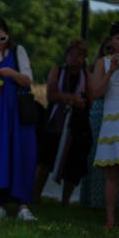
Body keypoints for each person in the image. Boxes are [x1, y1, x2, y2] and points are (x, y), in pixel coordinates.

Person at [0, 16, 38, 221]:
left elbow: (27, 81)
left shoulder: (17, 52)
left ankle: (22, 205)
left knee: (18, 153)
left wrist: (10, 73)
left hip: (14, 111)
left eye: (2, 38)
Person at [33, 39, 93, 205]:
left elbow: (91, 98)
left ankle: (65, 201)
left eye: (80, 55)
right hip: (55, 122)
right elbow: (51, 95)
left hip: (77, 125)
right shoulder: (57, 72)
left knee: (74, 164)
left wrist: (79, 101)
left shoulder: (86, 75)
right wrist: (69, 98)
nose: (76, 59)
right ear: (66, 55)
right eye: (72, 54)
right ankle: (35, 196)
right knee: (44, 161)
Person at [92, 19, 119, 230]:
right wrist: (112, 71)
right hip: (113, 119)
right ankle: (110, 218)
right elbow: (95, 93)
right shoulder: (103, 62)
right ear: (112, 40)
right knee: (112, 173)